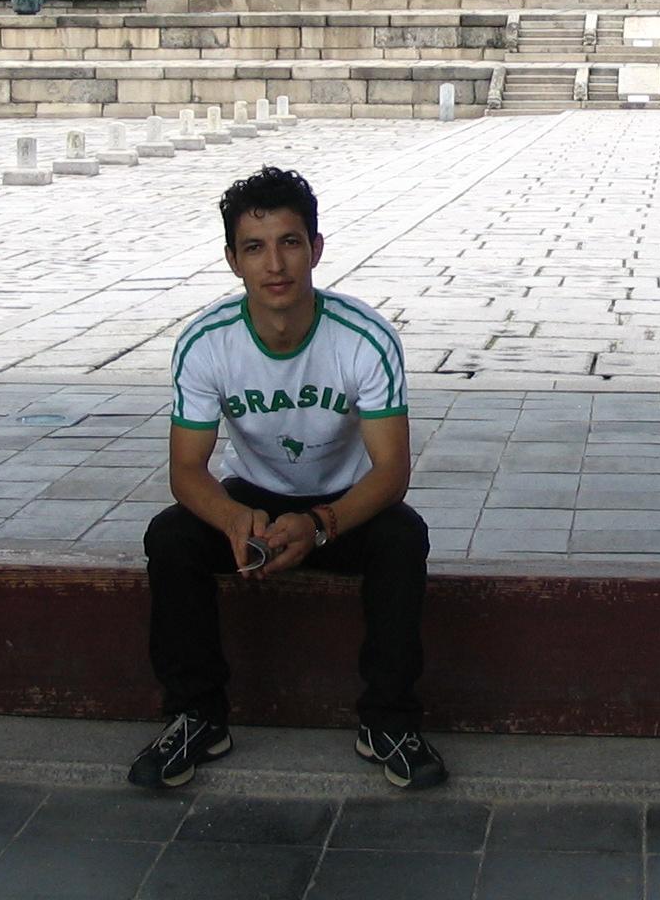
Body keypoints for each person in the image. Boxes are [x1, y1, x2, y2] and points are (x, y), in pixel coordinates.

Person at [130, 165, 446, 792]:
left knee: (403, 536)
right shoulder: (205, 343)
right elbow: (186, 471)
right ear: (233, 260)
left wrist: (320, 524)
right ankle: (197, 718)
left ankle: (388, 722)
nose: (275, 265)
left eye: (290, 242)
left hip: (343, 505)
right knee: (170, 537)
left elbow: (391, 472)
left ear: (316, 249)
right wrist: (231, 518)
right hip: (253, 500)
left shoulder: (365, 338)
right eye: (255, 247)